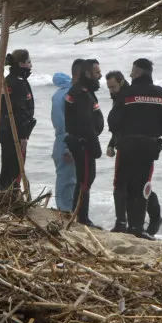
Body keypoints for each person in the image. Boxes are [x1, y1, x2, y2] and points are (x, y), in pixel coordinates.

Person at [109, 58, 162, 240]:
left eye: (132, 71)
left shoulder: (127, 94)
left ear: (137, 73)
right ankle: (138, 227)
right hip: (149, 145)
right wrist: (153, 133)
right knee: (142, 185)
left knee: (122, 183)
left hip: (127, 145)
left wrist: (124, 132)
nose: (130, 74)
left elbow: (113, 121)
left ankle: (123, 224)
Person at [64, 58, 103, 227]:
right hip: (82, 142)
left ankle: (79, 214)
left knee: (86, 178)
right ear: (88, 73)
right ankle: (81, 217)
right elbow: (86, 123)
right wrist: (95, 147)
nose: (100, 75)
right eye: (97, 72)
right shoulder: (81, 92)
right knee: (85, 179)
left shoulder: (84, 90)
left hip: (82, 140)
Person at [0, 49, 36, 192]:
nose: (31, 65)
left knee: (11, 167)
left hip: (13, 131)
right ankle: (9, 196)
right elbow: (18, 112)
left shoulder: (18, 80)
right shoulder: (15, 82)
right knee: (13, 168)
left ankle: (10, 195)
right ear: (21, 64)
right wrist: (23, 135)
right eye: (28, 62)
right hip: (13, 133)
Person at [51, 58, 84, 212]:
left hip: (67, 142)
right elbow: (62, 124)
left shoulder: (69, 92)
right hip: (65, 142)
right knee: (66, 179)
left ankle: (68, 210)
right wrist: (66, 148)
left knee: (71, 179)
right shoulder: (66, 95)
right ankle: (64, 210)